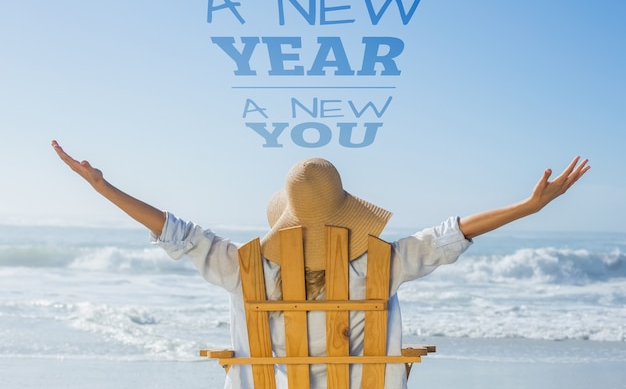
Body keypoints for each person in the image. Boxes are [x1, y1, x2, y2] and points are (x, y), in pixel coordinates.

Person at [51, 140, 589, 389]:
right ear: (347, 217)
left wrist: (103, 186)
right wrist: (527, 206)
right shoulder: (380, 264)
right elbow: (455, 233)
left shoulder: (241, 267)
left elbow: (172, 231)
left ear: (284, 219)